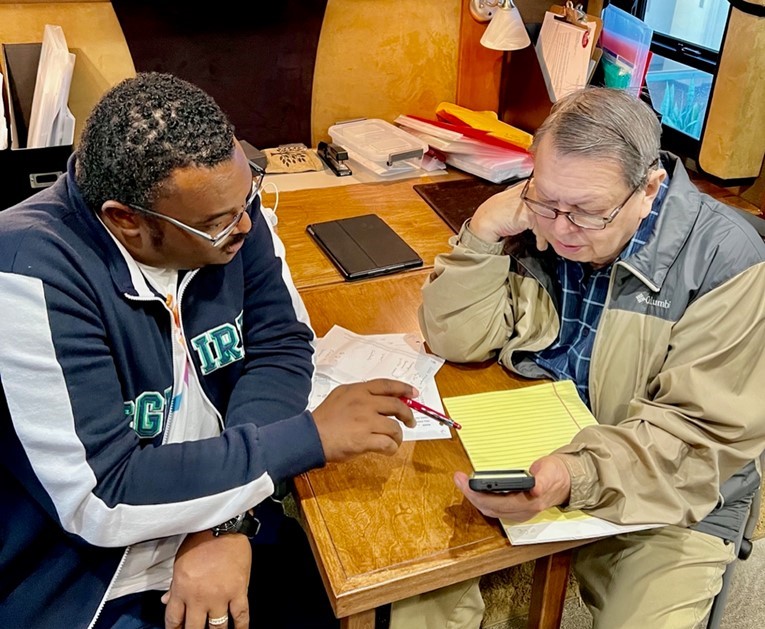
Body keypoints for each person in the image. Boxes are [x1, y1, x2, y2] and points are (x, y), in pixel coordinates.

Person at [0, 72, 420, 629]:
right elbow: (102, 496)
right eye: (220, 223)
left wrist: (225, 524)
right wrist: (307, 439)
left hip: (222, 500)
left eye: (248, 197)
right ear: (125, 221)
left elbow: (281, 346)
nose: (247, 226)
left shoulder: (226, 214)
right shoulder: (27, 275)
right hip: (89, 570)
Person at [419, 87, 765, 628]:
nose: (559, 228)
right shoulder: (542, 220)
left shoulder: (730, 263)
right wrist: (484, 230)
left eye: (586, 211)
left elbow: (698, 441)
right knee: (412, 585)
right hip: (537, 436)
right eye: (545, 199)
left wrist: (574, 476)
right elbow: (454, 338)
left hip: (674, 490)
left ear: (650, 187)